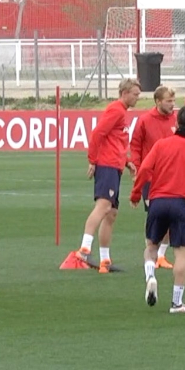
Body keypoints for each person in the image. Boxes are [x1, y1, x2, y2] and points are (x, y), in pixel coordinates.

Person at [130, 107, 185, 314]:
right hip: (181, 204)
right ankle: (177, 303)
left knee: (151, 246)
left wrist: (135, 194)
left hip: (158, 201)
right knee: (181, 255)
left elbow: (144, 170)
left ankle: (150, 276)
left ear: (176, 124)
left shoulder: (161, 145)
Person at [61, 78, 142, 274]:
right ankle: (84, 250)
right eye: (135, 94)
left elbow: (115, 142)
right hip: (106, 165)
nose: (137, 98)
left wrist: (126, 162)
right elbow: (98, 133)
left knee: (111, 213)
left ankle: (105, 260)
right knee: (103, 206)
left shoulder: (121, 112)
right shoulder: (116, 110)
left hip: (114, 165)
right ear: (124, 93)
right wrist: (92, 159)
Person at [129, 85, 178, 269]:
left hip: (172, 177)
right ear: (158, 101)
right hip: (150, 178)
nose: (172, 105)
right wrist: (137, 168)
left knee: (168, 216)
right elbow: (135, 145)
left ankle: (161, 255)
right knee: (154, 216)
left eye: (173, 101)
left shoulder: (176, 120)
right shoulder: (145, 120)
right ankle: (151, 251)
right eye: (168, 101)